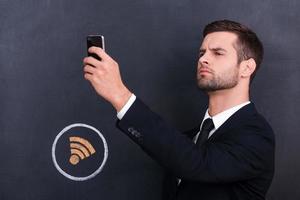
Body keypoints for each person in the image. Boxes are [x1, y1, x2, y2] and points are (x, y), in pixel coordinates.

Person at [83, 20, 275, 200]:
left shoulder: (257, 136)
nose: (204, 59)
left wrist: (120, 95)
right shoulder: (192, 137)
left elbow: (197, 164)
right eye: (202, 53)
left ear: (246, 68)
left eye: (217, 53)